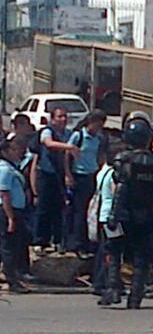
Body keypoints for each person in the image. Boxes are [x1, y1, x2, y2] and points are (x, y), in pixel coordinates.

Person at [101, 120, 153, 309]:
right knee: (142, 256)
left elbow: (120, 189)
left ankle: (113, 288)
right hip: (147, 214)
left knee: (114, 251)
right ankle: (136, 295)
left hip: (124, 213)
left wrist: (114, 215)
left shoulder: (123, 158)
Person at [32, 106, 80, 254]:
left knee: (59, 209)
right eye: (59, 116)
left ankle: (58, 241)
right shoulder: (47, 131)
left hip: (60, 175)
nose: (63, 119)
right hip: (46, 174)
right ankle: (39, 241)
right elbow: (48, 143)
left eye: (65, 116)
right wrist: (69, 147)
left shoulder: (69, 134)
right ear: (52, 119)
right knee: (43, 208)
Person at [65, 109, 107, 257]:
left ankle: (90, 242)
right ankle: (78, 243)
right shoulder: (78, 136)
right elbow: (67, 155)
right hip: (79, 175)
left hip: (92, 175)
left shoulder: (99, 139)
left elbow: (99, 156)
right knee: (79, 210)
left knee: (92, 210)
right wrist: (68, 174)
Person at [91, 133, 127, 296]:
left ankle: (106, 282)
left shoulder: (102, 171)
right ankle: (102, 282)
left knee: (104, 249)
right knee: (111, 252)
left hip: (102, 216)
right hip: (111, 217)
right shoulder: (113, 174)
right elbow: (116, 196)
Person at [0, 132, 31, 293]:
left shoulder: (12, 168)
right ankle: (12, 280)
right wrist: (11, 217)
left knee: (14, 245)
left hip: (16, 210)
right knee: (8, 247)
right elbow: (4, 194)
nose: (17, 153)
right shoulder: (4, 169)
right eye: (14, 150)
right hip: (8, 211)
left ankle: (13, 276)